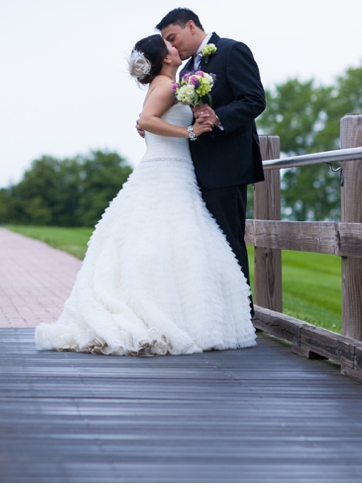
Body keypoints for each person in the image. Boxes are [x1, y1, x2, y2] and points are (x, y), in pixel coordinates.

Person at [34, 34, 256, 356]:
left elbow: (148, 120)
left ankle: (177, 314)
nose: (175, 47)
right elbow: (147, 121)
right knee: (169, 239)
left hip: (176, 168)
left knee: (174, 242)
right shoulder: (167, 87)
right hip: (167, 169)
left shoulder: (171, 85)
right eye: (168, 45)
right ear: (164, 58)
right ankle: (163, 315)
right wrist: (190, 131)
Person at [153, 8, 266, 317]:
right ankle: (215, 312)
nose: (173, 48)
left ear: (191, 26)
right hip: (194, 168)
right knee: (205, 245)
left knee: (228, 241)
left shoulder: (232, 50)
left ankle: (242, 315)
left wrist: (220, 117)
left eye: (173, 39)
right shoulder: (187, 68)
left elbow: (255, 99)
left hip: (228, 165)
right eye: (168, 44)